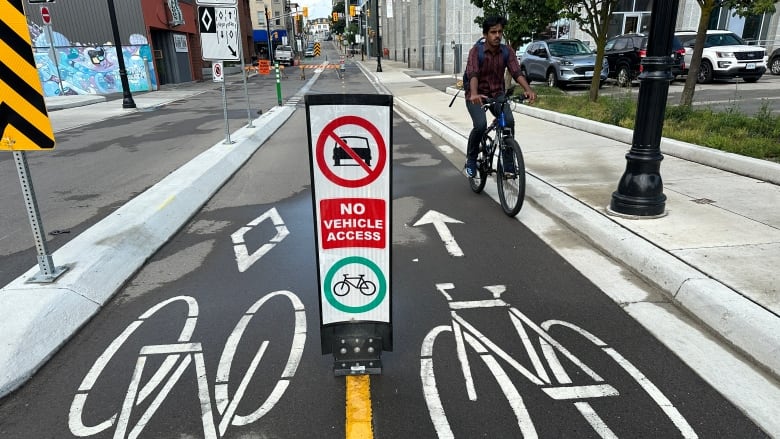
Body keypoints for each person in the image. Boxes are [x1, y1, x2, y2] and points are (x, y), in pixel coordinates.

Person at [463, 15, 536, 178]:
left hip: (497, 95)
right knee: (480, 126)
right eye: (493, 32)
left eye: (500, 32)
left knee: (508, 122)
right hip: (477, 95)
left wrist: (528, 89)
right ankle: (472, 158)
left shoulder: (507, 51)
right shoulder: (476, 52)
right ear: (485, 34)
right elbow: (473, 73)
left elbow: (516, 71)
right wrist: (474, 93)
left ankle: (508, 166)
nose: (497, 35)